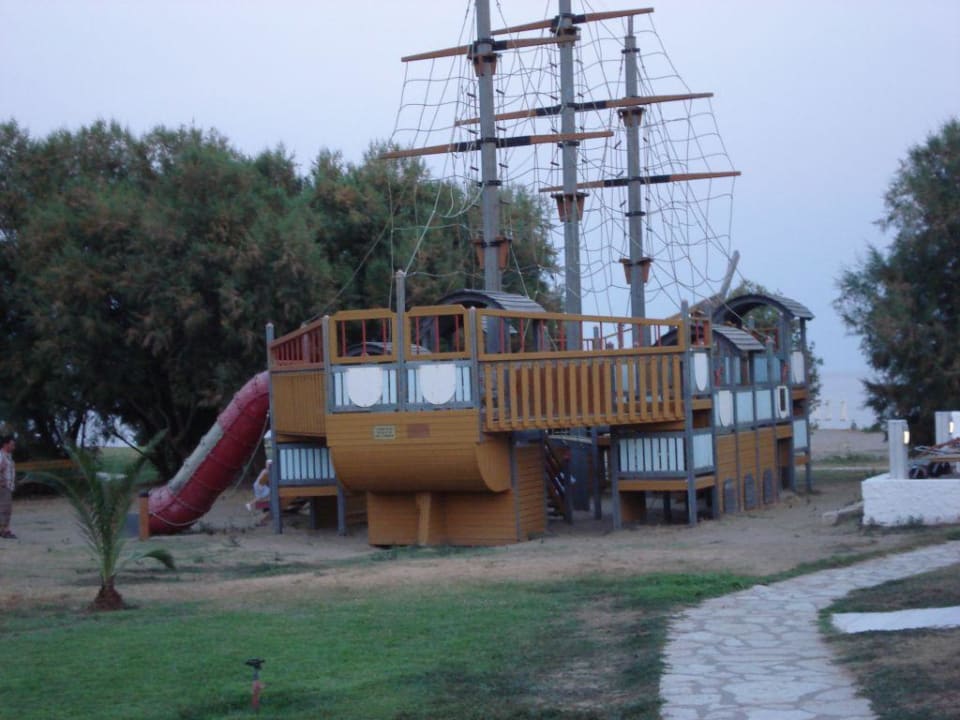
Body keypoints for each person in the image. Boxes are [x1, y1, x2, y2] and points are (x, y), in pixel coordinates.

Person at [0, 434, 16, 539]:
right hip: (3, 486)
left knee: (6, 508)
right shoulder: (1, 456)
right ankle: (4, 530)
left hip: (8, 486)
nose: (13, 447)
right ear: (6, 444)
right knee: (5, 509)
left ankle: (4, 529)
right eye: (12, 444)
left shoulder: (8, 456)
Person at [246, 460, 272, 524]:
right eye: (268, 465)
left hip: (260, 485)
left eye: (270, 465)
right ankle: (249, 504)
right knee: (266, 493)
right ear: (266, 465)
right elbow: (262, 479)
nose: (269, 466)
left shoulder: (267, 471)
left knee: (261, 496)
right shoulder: (266, 471)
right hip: (259, 485)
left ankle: (249, 504)